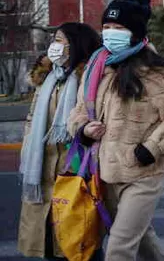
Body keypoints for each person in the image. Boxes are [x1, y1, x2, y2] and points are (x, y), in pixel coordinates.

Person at [68, 0, 164, 261]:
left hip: (144, 171)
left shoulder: (157, 72)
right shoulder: (96, 66)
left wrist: (150, 149)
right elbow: (78, 111)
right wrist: (83, 130)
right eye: (106, 27)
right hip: (105, 170)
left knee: (118, 248)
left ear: (135, 33)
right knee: (142, 242)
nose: (110, 33)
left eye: (119, 28)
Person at [18, 23, 101, 260]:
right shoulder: (49, 80)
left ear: (76, 44)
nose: (54, 46)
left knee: (79, 240)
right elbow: (32, 121)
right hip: (42, 169)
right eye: (54, 39)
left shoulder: (89, 78)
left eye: (60, 40)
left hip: (75, 169)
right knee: (48, 240)